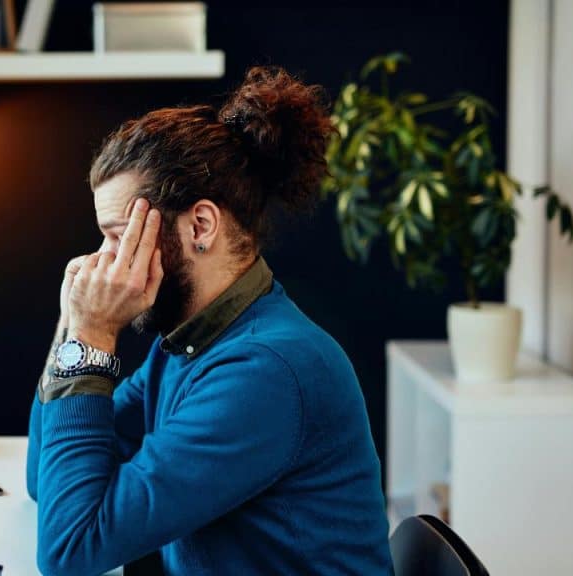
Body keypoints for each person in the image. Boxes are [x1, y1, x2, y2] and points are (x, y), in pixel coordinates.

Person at [26, 66, 393, 576]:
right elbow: (47, 483)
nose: (102, 262)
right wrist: (73, 325)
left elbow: (71, 550)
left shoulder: (265, 370)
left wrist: (92, 334)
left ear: (199, 225)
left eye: (117, 235)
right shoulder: (190, 342)